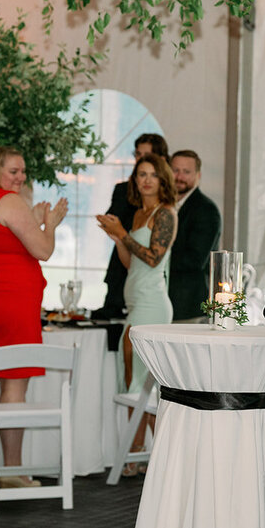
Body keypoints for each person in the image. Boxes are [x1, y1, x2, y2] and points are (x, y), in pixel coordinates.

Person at [0, 146, 67, 492]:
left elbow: (1, 241)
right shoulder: (8, 201)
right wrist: (51, 225)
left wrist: (34, 219)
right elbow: (43, 250)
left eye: (23, 172)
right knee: (15, 382)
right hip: (10, 302)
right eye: (13, 171)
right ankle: (12, 471)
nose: (20, 178)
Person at [96, 152, 177, 476]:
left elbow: (154, 258)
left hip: (152, 303)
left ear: (162, 180)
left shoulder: (165, 213)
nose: (146, 180)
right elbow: (132, 263)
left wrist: (124, 234)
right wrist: (119, 238)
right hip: (136, 300)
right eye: (141, 174)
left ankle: (153, 457)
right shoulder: (139, 213)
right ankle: (140, 455)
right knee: (134, 378)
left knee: (141, 380)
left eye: (152, 175)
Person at [94, 133, 168, 319]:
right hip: (121, 272)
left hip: (150, 286)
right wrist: (117, 232)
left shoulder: (165, 207)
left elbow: (154, 256)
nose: (140, 160)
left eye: (146, 155)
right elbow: (111, 223)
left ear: (161, 160)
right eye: (137, 154)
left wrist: (121, 232)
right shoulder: (123, 190)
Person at [166, 149, 221, 322]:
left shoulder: (206, 209)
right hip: (163, 300)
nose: (179, 177)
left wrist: (155, 257)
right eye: (175, 170)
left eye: (186, 172)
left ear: (198, 175)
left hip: (188, 306)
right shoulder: (163, 205)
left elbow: (196, 260)